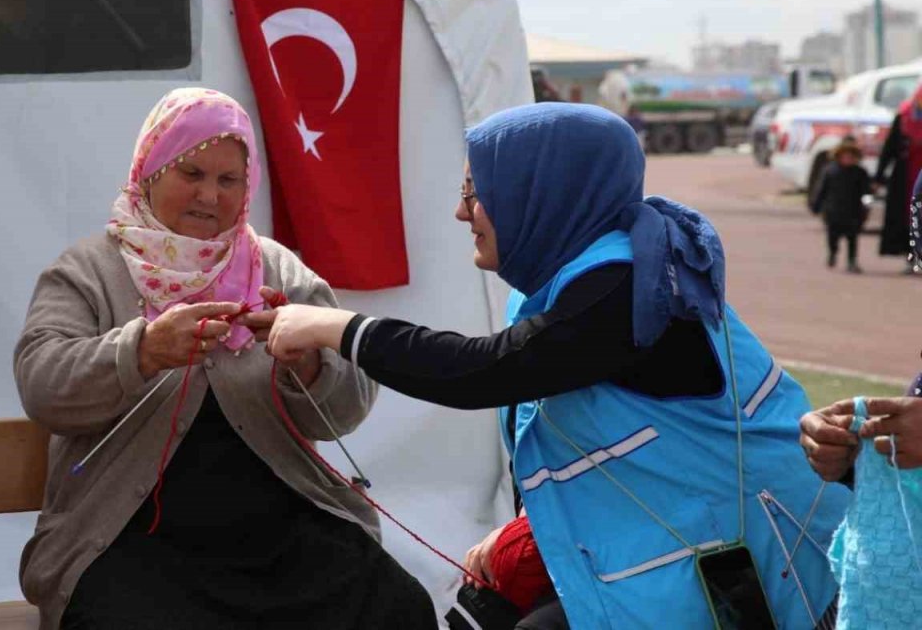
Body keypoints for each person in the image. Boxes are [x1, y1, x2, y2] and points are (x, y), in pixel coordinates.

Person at [266, 102, 849, 629]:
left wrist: (339, 329)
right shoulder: (577, 280)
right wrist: (529, 530)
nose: (460, 212)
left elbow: (482, 373)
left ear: (542, 192)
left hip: (767, 562)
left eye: (476, 192)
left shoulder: (623, 289)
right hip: (683, 549)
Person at [13, 88, 435, 630]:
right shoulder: (88, 271)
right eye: (191, 173)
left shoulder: (278, 271)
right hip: (129, 539)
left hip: (282, 530)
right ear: (150, 170)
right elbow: (42, 385)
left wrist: (308, 366)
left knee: (398, 607)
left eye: (228, 180)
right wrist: (142, 351)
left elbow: (346, 410)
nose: (209, 196)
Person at [873, 83, 922, 272]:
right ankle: (912, 258)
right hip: (907, 176)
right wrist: (878, 177)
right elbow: (889, 149)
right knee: (910, 216)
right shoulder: (904, 117)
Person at [811, 136, 871, 273]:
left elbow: (866, 192)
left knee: (852, 238)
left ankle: (852, 261)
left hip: (853, 212)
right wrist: (816, 205)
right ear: (838, 156)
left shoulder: (860, 173)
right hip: (833, 212)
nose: (848, 159)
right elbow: (821, 190)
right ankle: (833, 253)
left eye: (851, 156)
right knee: (832, 237)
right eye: (845, 156)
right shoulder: (830, 171)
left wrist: (867, 207)